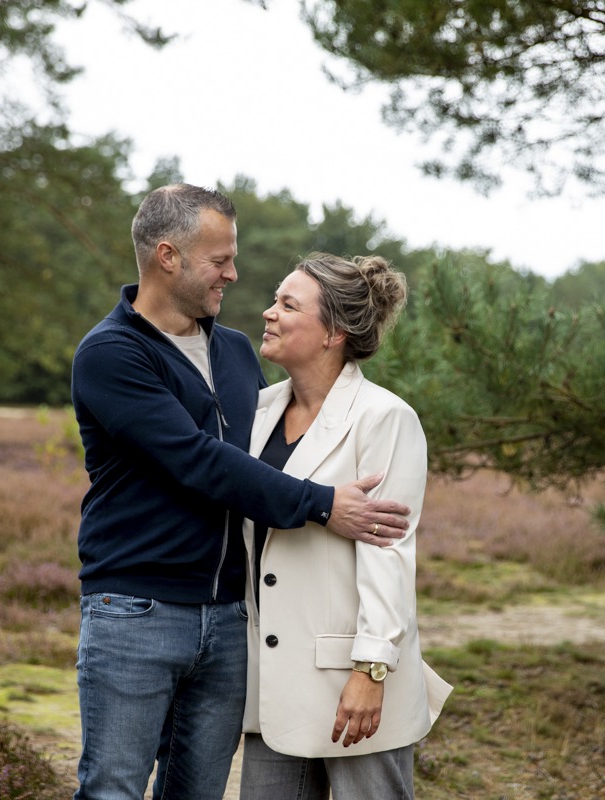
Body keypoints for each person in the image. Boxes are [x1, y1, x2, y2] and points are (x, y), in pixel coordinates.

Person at [70, 185, 411, 800]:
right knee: (112, 790)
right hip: (137, 611)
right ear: (168, 256)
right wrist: (324, 502)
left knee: (197, 793)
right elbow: (200, 462)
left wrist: (372, 662)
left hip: (231, 623)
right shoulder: (111, 354)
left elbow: (265, 473)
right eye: (220, 259)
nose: (234, 273)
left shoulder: (232, 352)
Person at [241, 253, 453, 800]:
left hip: (353, 682)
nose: (268, 313)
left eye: (287, 304)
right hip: (271, 681)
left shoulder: (384, 418)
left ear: (334, 331)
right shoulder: (257, 411)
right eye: (274, 299)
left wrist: (371, 671)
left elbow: (389, 552)